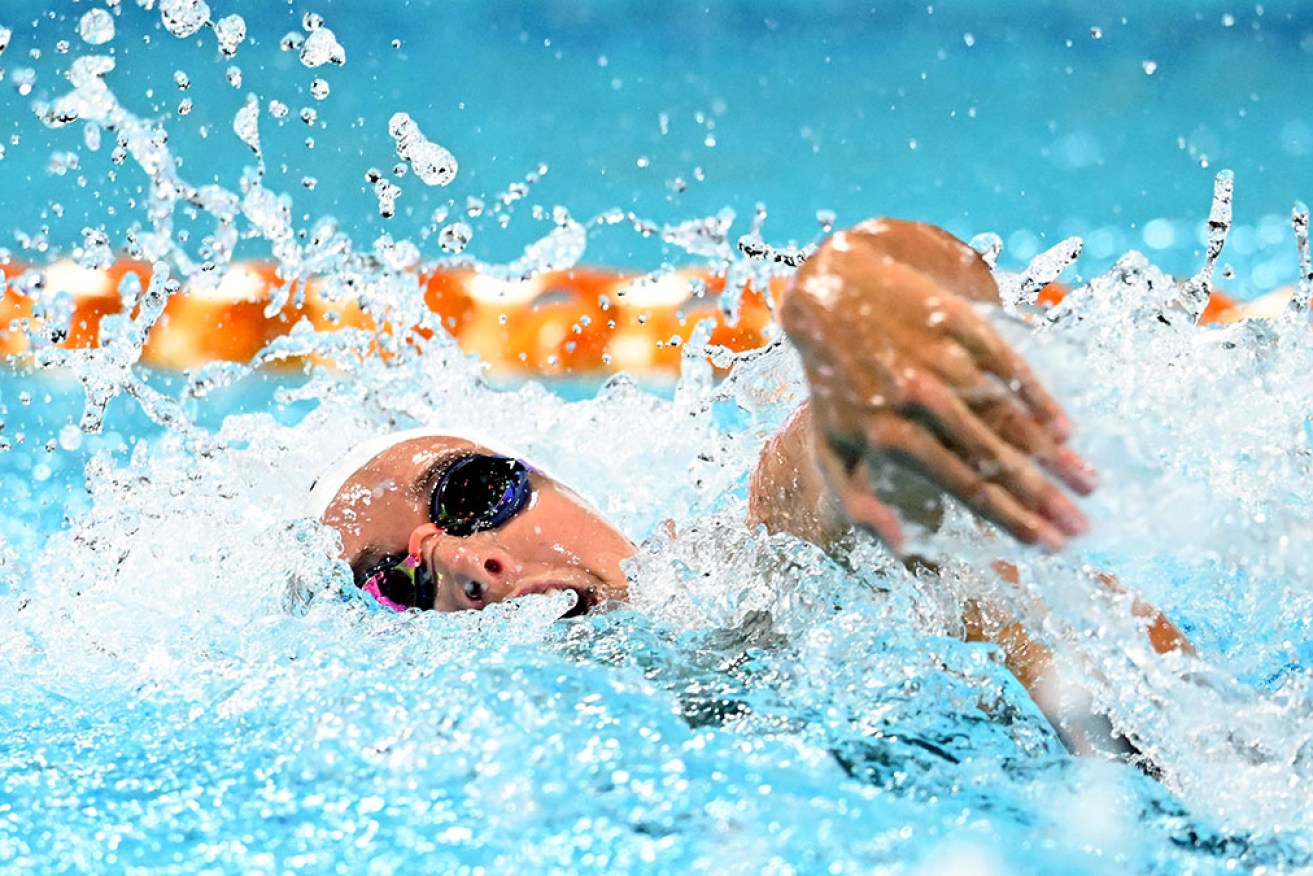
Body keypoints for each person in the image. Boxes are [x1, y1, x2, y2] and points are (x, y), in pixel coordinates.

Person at [308, 218, 1192, 758]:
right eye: (399, 583)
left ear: (558, 479)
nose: (471, 565)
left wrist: (867, 334)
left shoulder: (751, 572)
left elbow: (819, 465)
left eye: (470, 494)